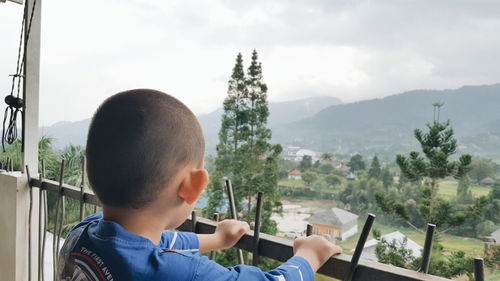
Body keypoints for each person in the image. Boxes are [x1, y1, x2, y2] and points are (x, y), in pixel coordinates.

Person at [57, 89, 342, 281]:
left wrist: (216, 240)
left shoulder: (82, 233)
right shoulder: (175, 273)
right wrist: (309, 255)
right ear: (193, 185)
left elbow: (160, 240)